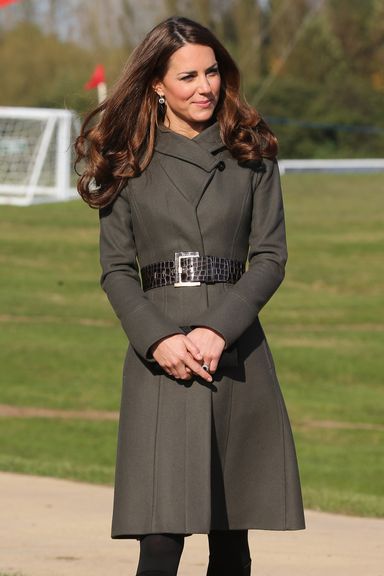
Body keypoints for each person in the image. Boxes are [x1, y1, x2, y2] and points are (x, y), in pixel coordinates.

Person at [75, 15, 305, 576]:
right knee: (159, 540)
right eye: (187, 77)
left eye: (212, 72)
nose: (205, 87)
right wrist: (158, 340)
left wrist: (218, 329)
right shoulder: (124, 159)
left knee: (231, 541)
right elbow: (116, 269)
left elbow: (270, 257)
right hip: (160, 359)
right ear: (156, 83)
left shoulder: (252, 152)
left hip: (236, 352)